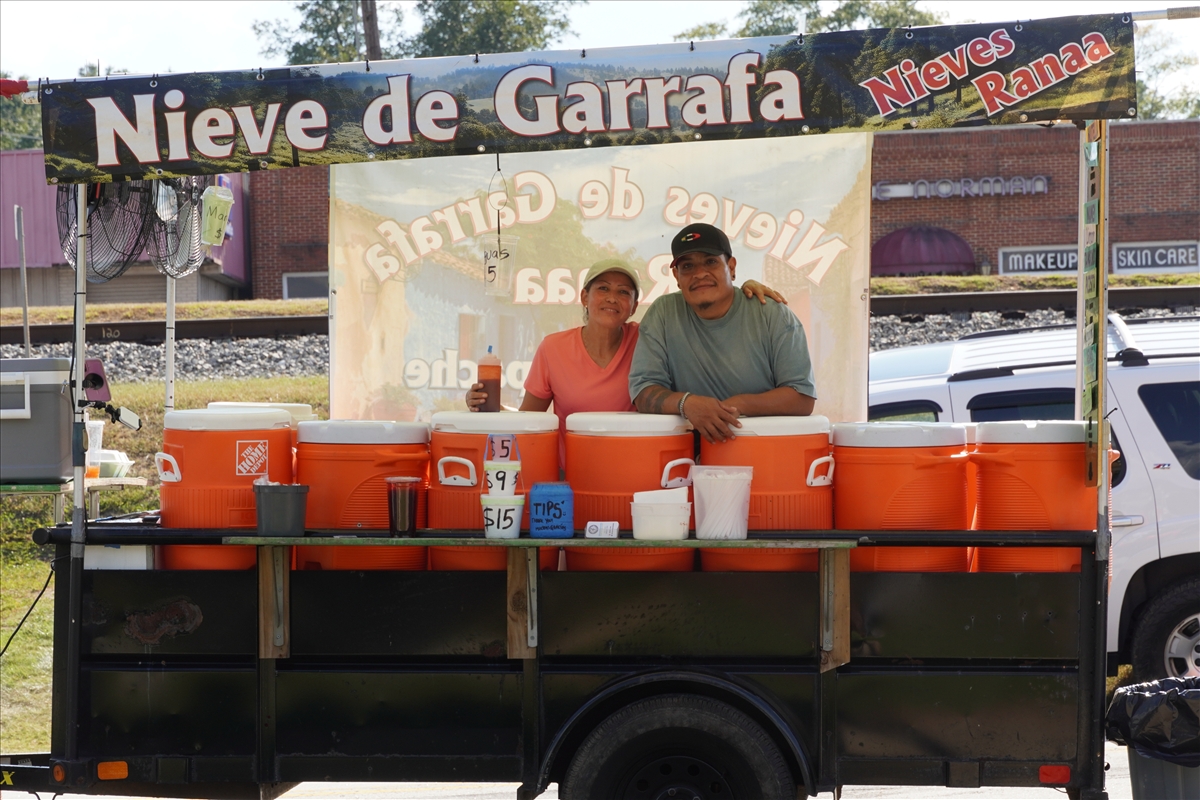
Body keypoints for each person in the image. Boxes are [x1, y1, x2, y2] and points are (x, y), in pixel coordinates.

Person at [466, 257, 786, 464]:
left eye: (623, 292)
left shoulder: (650, 339)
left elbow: (706, 305)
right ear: (585, 297)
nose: (612, 298)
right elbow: (530, 421)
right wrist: (488, 407)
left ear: (633, 306)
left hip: (644, 470)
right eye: (603, 289)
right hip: (574, 475)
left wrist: (743, 290)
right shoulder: (553, 348)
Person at [628, 223, 816, 444]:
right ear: (676, 276)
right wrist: (687, 403)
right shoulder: (663, 312)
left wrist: (737, 406)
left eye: (710, 262)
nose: (700, 274)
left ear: (732, 267)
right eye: (687, 266)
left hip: (765, 450)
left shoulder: (772, 313)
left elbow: (802, 398)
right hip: (686, 455)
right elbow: (643, 391)